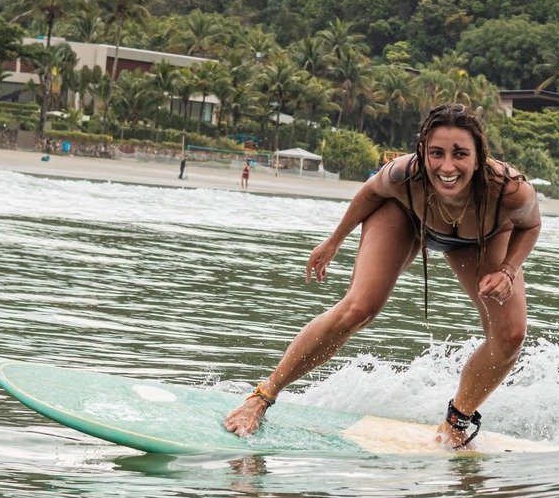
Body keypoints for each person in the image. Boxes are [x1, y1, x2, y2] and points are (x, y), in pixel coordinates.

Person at [224, 102, 541, 448]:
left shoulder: (509, 190)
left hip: (480, 239)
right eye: (436, 153)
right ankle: (262, 396)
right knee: (359, 308)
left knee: (510, 335)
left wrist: (509, 271)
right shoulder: (403, 174)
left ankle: (456, 422)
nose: (447, 166)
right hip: (404, 218)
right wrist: (334, 241)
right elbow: (371, 192)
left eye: (460, 154)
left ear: (478, 157)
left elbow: (531, 224)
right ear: (422, 151)